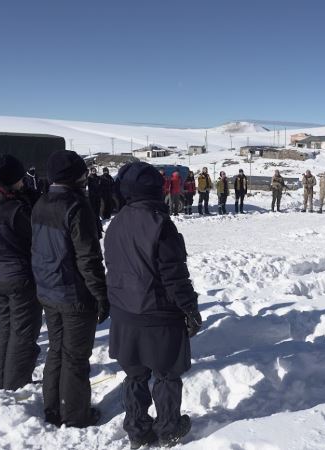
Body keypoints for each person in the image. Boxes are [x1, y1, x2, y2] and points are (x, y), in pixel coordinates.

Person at [104, 162, 201, 448]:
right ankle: (168, 427)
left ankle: (137, 428)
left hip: (124, 313)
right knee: (167, 373)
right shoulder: (160, 224)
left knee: (135, 374)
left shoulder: (117, 221)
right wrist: (190, 309)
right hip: (157, 313)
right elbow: (174, 275)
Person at [31, 150, 109, 428]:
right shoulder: (76, 206)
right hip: (73, 294)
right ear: (74, 176)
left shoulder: (40, 202)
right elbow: (88, 257)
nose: (87, 177)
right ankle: (75, 415)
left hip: (48, 289)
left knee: (56, 351)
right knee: (75, 357)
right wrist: (100, 293)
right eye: (83, 173)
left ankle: (53, 408)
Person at [0, 154, 42, 391]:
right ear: (14, 180)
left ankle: (2, 381)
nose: (24, 182)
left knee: (6, 329)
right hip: (19, 278)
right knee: (23, 333)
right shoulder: (14, 210)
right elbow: (35, 240)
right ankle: (15, 385)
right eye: (21, 179)